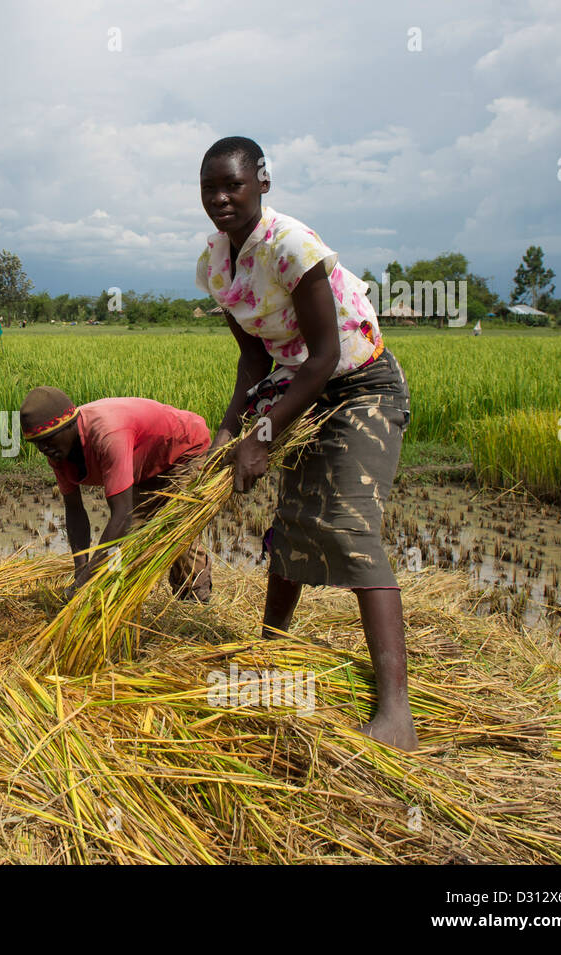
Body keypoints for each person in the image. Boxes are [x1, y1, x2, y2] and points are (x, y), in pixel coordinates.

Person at [196, 135, 418, 751]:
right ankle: (269, 656)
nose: (220, 199)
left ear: (261, 183)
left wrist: (263, 437)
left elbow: (323, 357)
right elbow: (252, 358)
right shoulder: (215, 264)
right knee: (292, 527)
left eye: (233, 185)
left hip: (359, 384)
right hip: (302, 389)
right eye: (209, 187)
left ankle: (396, 712)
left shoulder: (291, 245)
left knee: (347, 527)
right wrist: (230, 427)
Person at [20, 387, 212, 602]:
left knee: (175, 531)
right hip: (144, 464)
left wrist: (87, 580)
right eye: (37, 443)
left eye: (49, 439)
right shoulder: (57, 452)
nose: (44, 449)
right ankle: (121, 603)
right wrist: (81, 573)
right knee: (130, 545)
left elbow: (122, 515)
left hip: (183, 450)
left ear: (71, 425)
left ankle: (195, 599)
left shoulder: (108, 434)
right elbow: (74, 510)